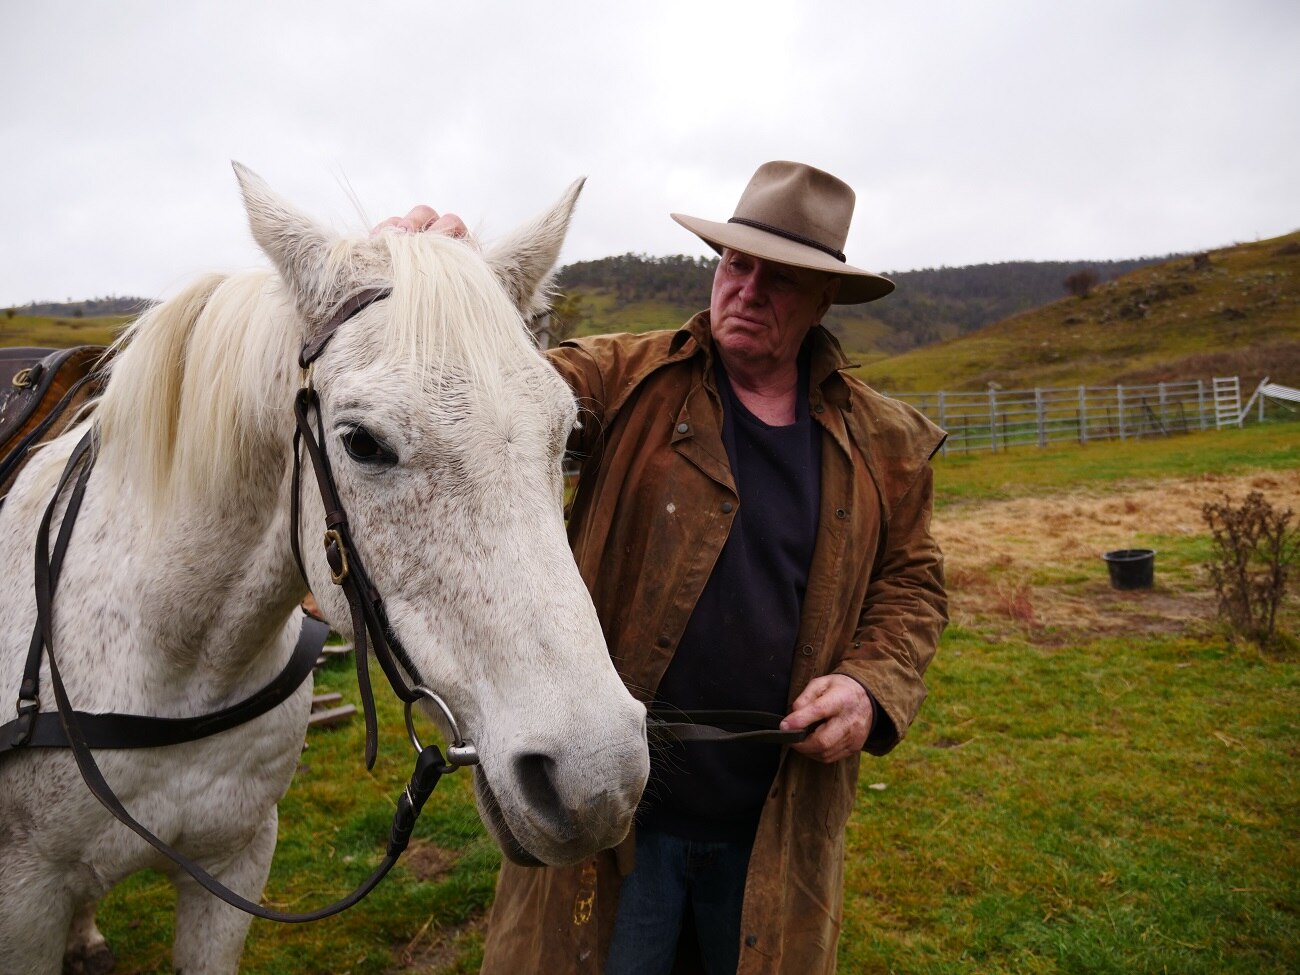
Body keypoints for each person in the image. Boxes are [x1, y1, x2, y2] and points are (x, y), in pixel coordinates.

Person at [390, 161, 947, 975]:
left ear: (824, 300)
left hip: (775, 823)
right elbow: (494, 398)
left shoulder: (883, 441)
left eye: (779, 279)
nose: (747, 290)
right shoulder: (625, 377)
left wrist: (870, 683)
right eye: (736, 264)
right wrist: (446, 291)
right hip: (613, 812)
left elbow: (914, 583)